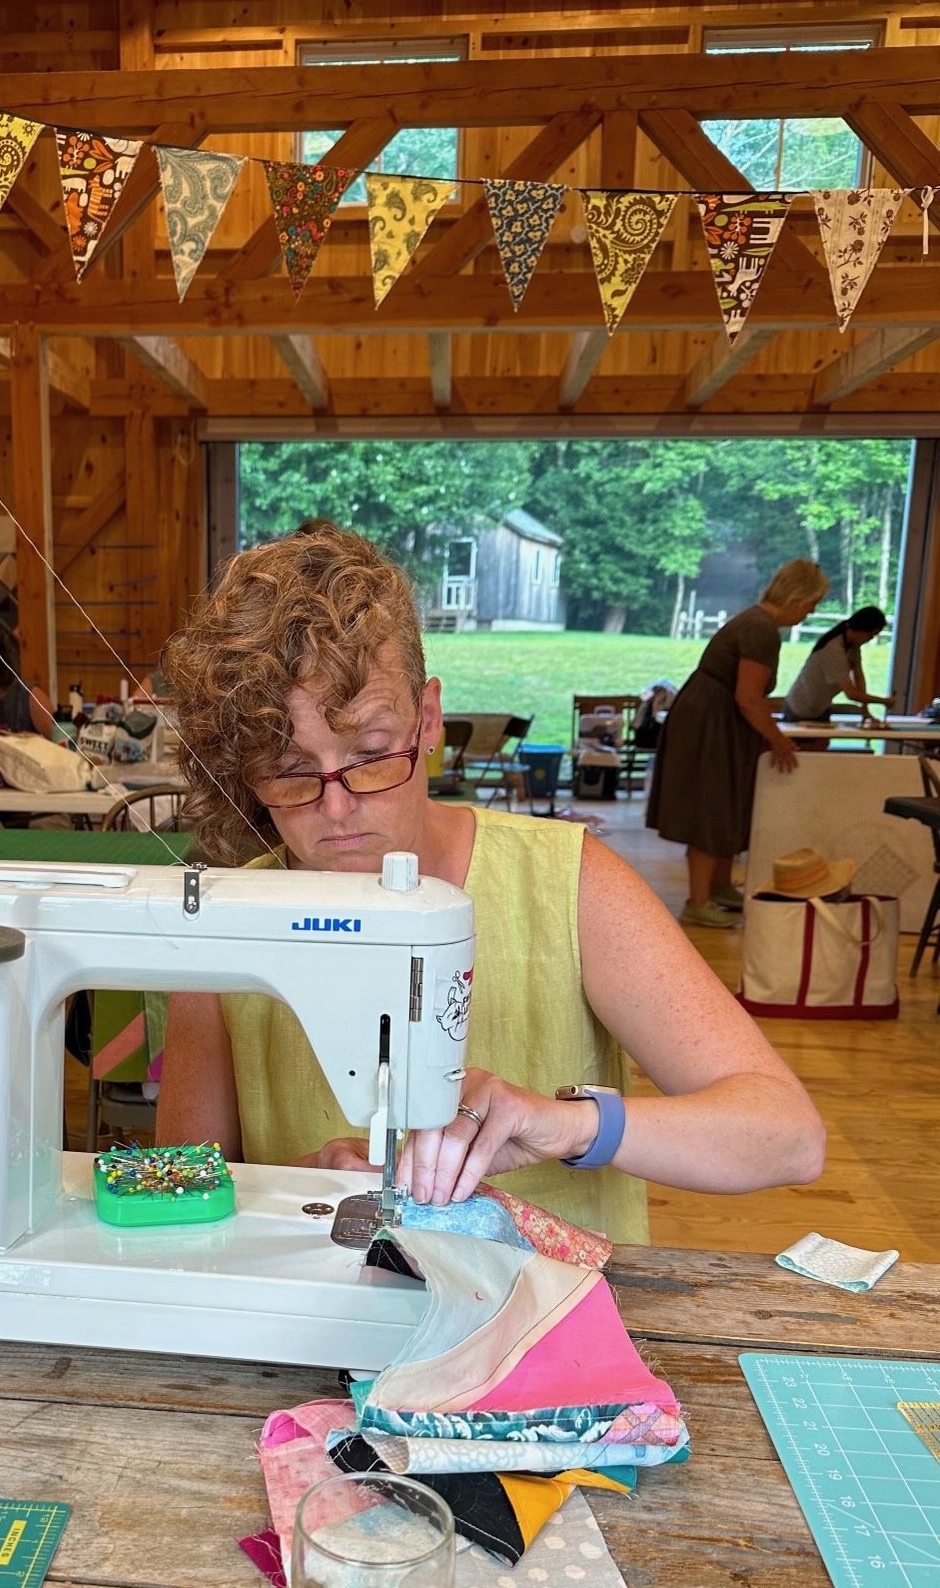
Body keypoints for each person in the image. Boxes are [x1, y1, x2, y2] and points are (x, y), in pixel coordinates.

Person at [155, 526, 825, 1239]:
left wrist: (564, 1125)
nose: (338, 806)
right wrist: (300, 1182)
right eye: (290, 771)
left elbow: (786, 1134)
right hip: (315, 1323)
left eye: (373, 754)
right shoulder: (226, 928)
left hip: (560, 1330)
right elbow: (174, 1194)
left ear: (430, 718)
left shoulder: (569, 885)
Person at [646, 559, 829, 931]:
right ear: (796, 597)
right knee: (712, 808)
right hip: (711, 723)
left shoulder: (757, 623)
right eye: (812, 604)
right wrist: (777, 739)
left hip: (715, 719)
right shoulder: (761, 630)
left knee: (728, 804)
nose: (812, 612)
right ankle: (698, 902)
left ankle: (719, 887)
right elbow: (748, 697)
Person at [782, 606, 890, 726]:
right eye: (872, 634)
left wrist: (865, 710)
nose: (871, 639)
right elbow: (852, 694)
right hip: (800, 709)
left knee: (820, 744)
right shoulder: (833, 650)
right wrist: (884, 701)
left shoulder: (853, 647)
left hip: (821, 708)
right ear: (861, 628)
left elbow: (859, 676)